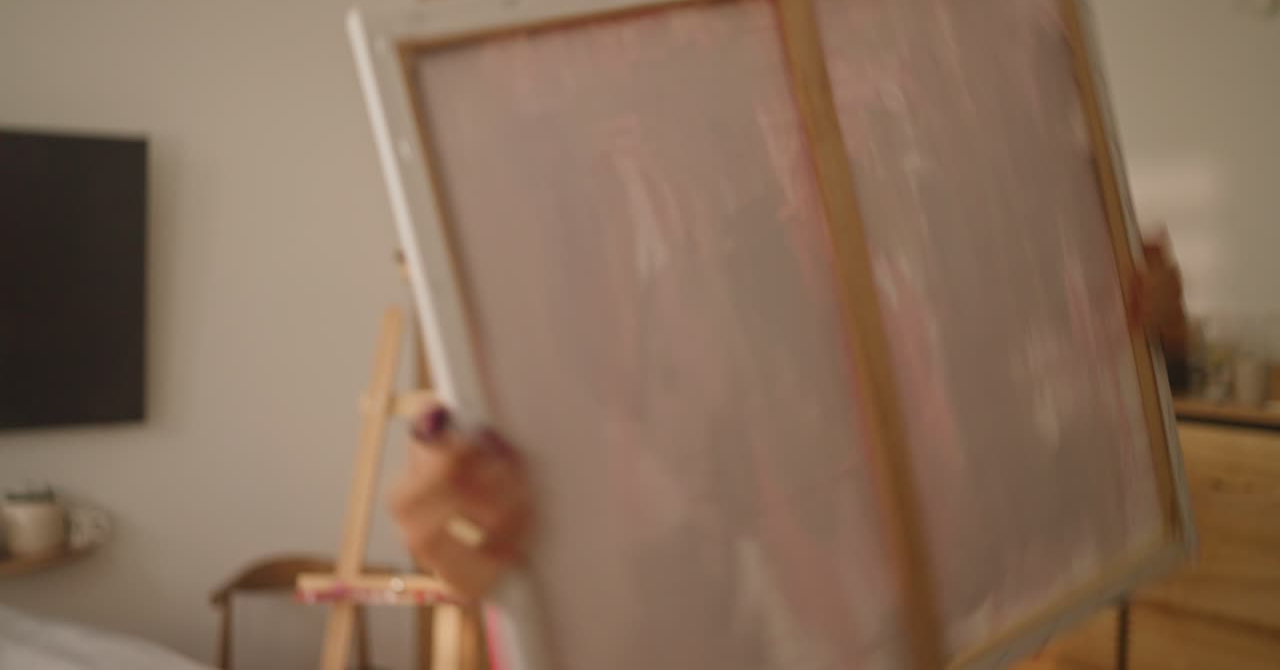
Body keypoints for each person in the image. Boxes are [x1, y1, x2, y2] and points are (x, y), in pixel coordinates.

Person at [389, 235, 1189, 603]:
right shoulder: (677, 537)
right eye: (666, 374)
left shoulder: (927, 464)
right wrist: (491, 559)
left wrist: (1151, 356)